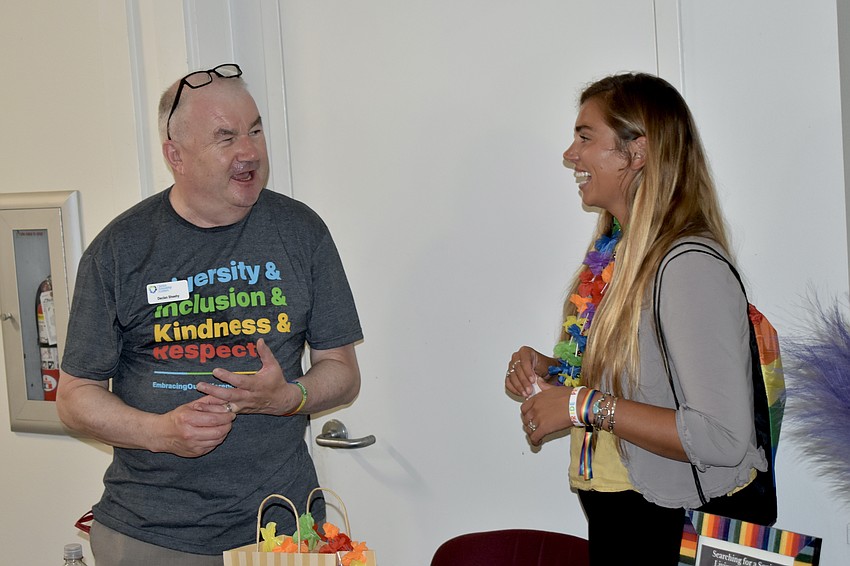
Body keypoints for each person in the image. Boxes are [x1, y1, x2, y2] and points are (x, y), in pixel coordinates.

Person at [56, 63, 363, 565]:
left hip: (284, 533)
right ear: (175, 155)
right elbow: (74, 398)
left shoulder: (302, 232)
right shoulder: (120, 249)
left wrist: (289, 396)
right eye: (226, 137)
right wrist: (162, 433)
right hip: (153, 537)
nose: (250, 152)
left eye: (256, 130)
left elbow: (343, 372)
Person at [504, 72, 768, 565]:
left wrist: (582, 405)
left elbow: (723, 437)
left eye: (585, 137)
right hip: (629, 525)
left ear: (637, 152)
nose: (570, 155)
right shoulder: (618, 253)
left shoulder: (687, 265)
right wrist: (554, 371)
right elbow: (645, 383)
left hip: (676, 531)